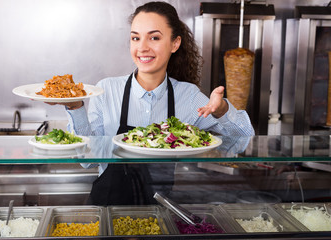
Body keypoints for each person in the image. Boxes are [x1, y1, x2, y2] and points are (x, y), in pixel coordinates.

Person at [54, 1, 254, 205]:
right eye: (135, 38)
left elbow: (242, 142)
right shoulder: (106, 91)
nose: (142, 47)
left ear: (175, 43)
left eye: (154, 37)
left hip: (160, 211)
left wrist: (222, 110)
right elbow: (88, 161)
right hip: (108, 212)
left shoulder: (189, 96)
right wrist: (75, 107)